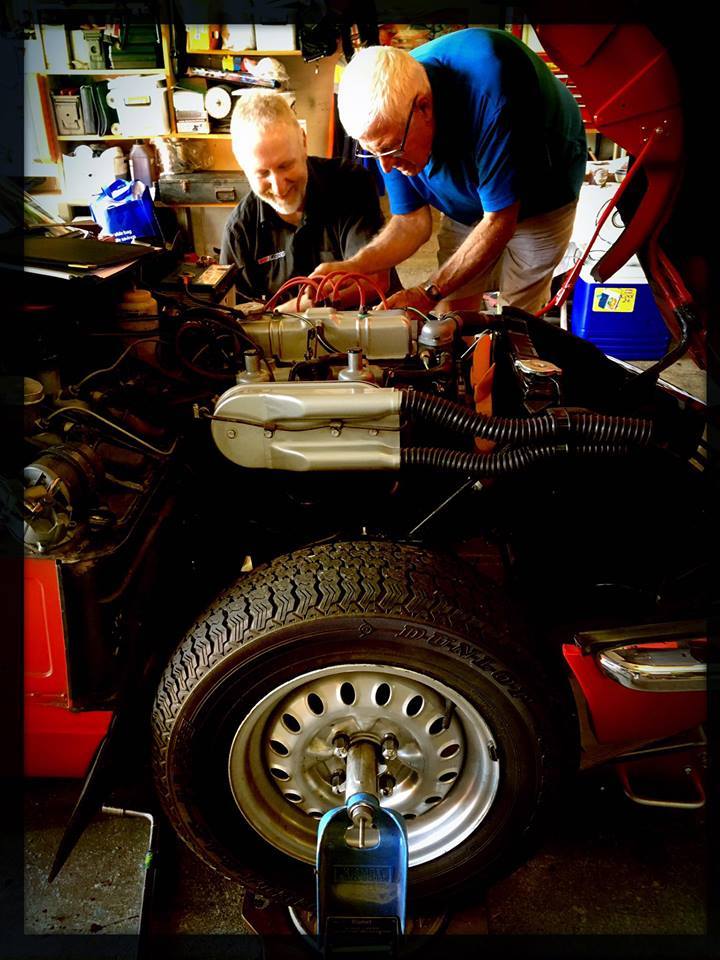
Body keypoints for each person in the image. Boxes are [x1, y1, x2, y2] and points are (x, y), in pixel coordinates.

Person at [312, 28, 587, 315]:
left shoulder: (493, 88)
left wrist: (428, 291)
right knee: (449, 317)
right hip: (467, 199)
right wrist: (355, 265)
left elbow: (499, 221)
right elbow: (411, 222)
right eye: (373, 152)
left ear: (424, 107)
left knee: (516, 318)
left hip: (543, 192)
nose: (386, 166)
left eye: (391, 150)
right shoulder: (390, 113)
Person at [220, 91, 392, 311]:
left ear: (303, 141)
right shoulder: (239, 231)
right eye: (262, 173)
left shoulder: (351, 183)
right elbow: (234, 316)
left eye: (285, 166)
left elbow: (374, 280)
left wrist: (284, 312)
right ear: (242, 165)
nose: (279, 187)